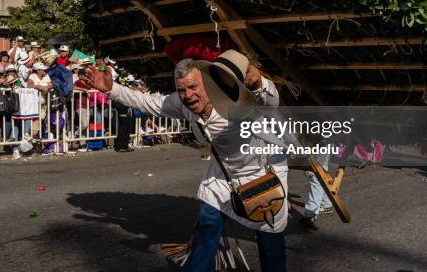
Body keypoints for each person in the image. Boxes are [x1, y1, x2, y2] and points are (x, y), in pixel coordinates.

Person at [88, 50, 288, 271]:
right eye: (182, 89)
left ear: (209, 84)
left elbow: (270, 102)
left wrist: (260, 82)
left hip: (261, 171)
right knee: (207, 224)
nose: (188, 95)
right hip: (223, 175)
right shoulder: (182, 103)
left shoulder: (239, 100)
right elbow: (147, 102)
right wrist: (112, 89)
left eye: (193, 87)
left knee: (269, 239)